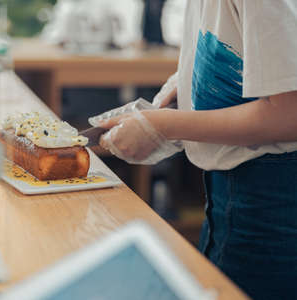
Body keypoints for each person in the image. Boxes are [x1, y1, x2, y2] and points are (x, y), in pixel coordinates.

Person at [89, 1, 297, 299]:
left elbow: (289, 114)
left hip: (270, 197)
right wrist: (185, 84)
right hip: (228, 194)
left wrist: (165, 125)